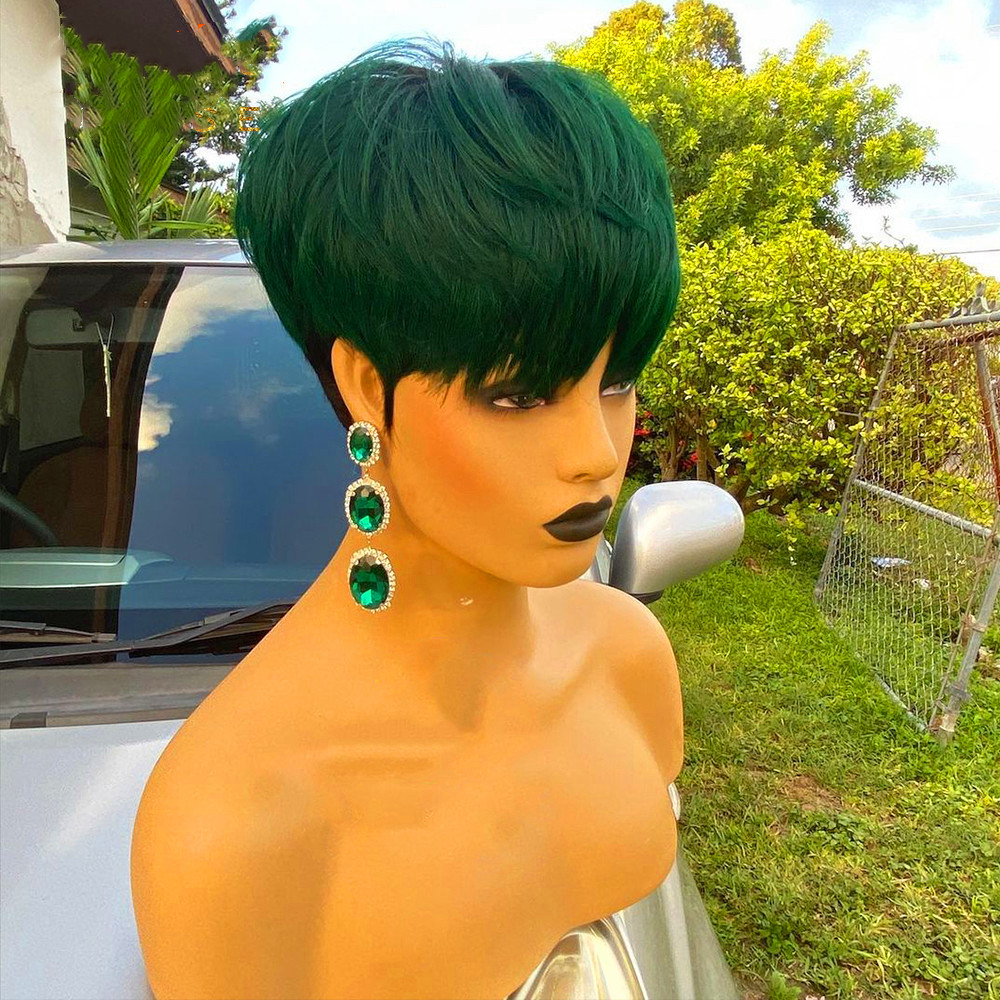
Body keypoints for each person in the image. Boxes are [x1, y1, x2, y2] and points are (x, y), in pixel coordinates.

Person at [130, 36, 688, 1000]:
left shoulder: (626, 658)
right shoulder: (234, 822)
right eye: (518, 395)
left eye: (617, 380)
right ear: (364, 385)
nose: (596, 452)